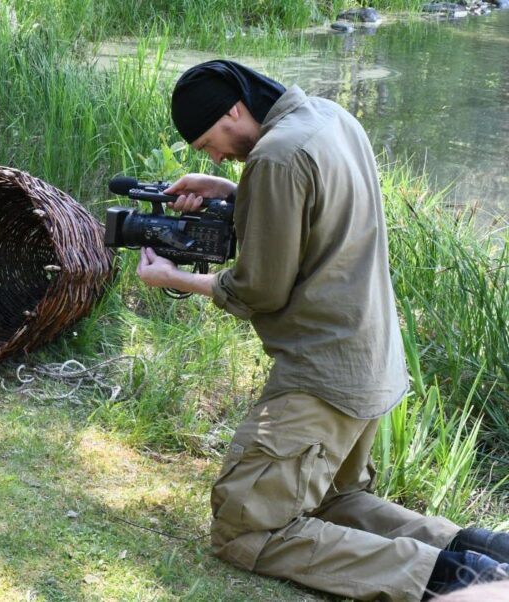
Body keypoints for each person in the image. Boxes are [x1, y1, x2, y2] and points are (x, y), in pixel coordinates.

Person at [135, 59, 509, 601]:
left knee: (245, 529)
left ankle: (453, 581)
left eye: (209, 142)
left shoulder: (276, 156)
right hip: (373, 365)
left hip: (322, 377)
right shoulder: (330, 118)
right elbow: (319, 213)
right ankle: (487, 553)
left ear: (234, 110)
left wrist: (175, 278)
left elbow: (259, 290)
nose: (214, 155)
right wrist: (233, 190)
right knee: (334, 502)